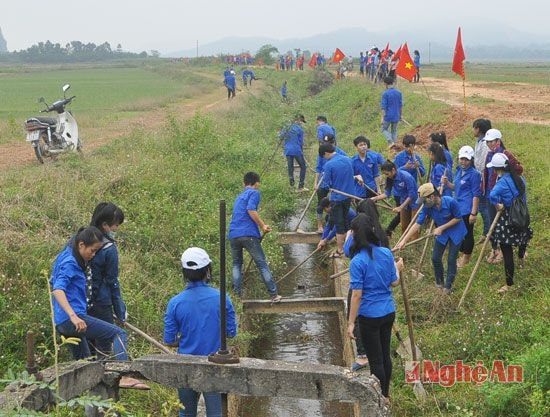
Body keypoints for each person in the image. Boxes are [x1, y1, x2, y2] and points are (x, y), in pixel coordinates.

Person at [50, 227, 145, 388]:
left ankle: (96, 405)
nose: (93, 255)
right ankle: (125, 375)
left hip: (61, 322)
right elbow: (57, 289)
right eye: (92, 251)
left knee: (88, 367)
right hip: (73, 319)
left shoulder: (65, 255)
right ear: (81, 245)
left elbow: (53, 280)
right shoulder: (70, 263)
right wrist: (73, 316)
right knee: (118, 333)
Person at [164, 247, 237, 417]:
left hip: (186, 366)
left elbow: (169, 339)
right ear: (208, 272)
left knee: (186, 413)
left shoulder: (175, 303)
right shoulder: (222, 298)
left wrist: (186, 339)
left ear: (184, 274)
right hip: (215, 365)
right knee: (215, 413)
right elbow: (231, 333)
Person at [347, 213, 403, 400]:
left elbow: (356, 295)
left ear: (354, 235)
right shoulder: (386, 253)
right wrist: (398, 268)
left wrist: (350, 323)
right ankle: (386, 393)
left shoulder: (357, 261)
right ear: (372, 231)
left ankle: (380, 397)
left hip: (369, 316)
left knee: (375, 360)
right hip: (388, 311)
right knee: (385, 355)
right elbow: (394, 283)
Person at [395, 183, 467, 293]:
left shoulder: (450, 202)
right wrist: (404, 240)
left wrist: (441, 227)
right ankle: (439, 283)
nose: (423, 203)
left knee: (451, 259)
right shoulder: (427, 207)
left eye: (424, 200)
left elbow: (458, 218)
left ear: (432, 197)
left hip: (456, 231)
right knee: (435, 258)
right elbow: (417, 224)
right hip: (442, 233)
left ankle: (448, 286)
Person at [228, 172, 281, 302]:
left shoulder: (239, 196)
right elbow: (251, 209)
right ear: (256, 183)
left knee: (236, 264)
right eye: (259, 183)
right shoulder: (254, 193)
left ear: (244, 183)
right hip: (248, 234)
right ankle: (274, 294)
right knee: (262, 264)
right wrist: (263, 225)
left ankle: (237, 296)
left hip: (233, 234)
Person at [487, 154, 532, 293]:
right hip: (522, 213)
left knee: (507, 251)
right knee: (523, 236)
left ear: (497, 169)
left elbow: (492, 196)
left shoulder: (501, 183)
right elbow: (523, 196)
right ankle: (521, 255)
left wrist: (499, 205)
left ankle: (509, 284)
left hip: (509, 217)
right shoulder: (519, 178)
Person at [87, 202, 127, 359]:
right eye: (115, 225)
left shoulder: (82, 240)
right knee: (105, 342)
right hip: (101, 303)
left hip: (82, 300)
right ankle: (111, 373)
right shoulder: (108, 249)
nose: (116, 229)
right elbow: (112, 282)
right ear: (105, 225)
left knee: (87, 343)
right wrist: (120, 311)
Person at [483, 128, 523, 264]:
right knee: (491, 223)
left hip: (502, 197)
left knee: (503, 224)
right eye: (487, 142)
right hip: (490, 194)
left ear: (498, 141)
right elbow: (486, 174)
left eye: (491, 142)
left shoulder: (506, 155)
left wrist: (507, 174)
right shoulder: (489, 155)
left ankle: (505, 249)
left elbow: (519, 169)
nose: (489, 145)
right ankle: (495, 249)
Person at [442, 146, 481, 267]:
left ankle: (466, 257)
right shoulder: (458, 170)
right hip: (457, 206)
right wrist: (447, 183)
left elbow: (476, 194)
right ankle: (462, 252)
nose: (463, 162)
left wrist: (473, 213)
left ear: (471, 160)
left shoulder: (474, 174)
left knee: (468, 233)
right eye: (461, 159)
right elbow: (456, 187)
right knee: (460, 232)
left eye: (466, 159)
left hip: (467, 208)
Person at [319, 142, 355, 257]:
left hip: (337, 198)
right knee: (344, 221)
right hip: (348, 196)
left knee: (340, 225)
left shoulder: (329, 165)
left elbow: (325, 184)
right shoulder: (348, 159)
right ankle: (345, 246)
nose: (324, 159)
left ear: (325, 153)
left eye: (323, 156)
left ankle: (340, 250)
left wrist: (322, 186)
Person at [371, 161, 420, 240]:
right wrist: (374, 198)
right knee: (404, 225)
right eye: (384, 174)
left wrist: (400, 207)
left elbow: (411, 195)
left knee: (413, 225)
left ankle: (414, 244)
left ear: (393, 170)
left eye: (387, 174)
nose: (386, 176)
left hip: (414, 202)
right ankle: (404, 242)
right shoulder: (390, 179)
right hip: (403, 200)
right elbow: (387, 194)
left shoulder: (406, 177)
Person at [314, 134, 348, 232]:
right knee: (321, 204)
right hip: (323, 182)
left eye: (330, 143)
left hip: (336, 184)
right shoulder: (322, 153)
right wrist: (315, 183)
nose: (328, 145)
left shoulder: (341, 153)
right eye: (326, 143)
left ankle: (332, 224)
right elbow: (318, 168)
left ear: (334, 142)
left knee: (334, 203)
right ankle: (319, 226)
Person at [472, 118, 492, 241]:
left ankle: (487, 232)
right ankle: (486, 232)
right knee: (482, 206)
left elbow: (482, 163)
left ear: (478, 129)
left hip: (483, 178)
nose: (472, 130)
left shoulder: (484, 144)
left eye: (473, 128)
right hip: (480, 177)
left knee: (483, 206)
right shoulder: (479, 142)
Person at [280, 114, 308, 191]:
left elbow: (281, 137)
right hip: (296, 150)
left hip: (288, 150)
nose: (301, 123)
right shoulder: (300, 129)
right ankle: (301, 186)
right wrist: (301, 150)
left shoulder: (286, 127)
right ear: (299, 120)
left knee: (290, 167)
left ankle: (291, 186)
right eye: (302, 121)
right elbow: (301, 142)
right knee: (303, 167)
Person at [380, 76, 402, 149]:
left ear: (386, 84)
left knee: (383, 129)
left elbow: (383, 107)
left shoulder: (385, 93)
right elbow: (400, 106)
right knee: (394, 130)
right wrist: (400, 116)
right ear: (392, 83)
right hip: (396, 115)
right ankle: (394, 144)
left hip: (388, 115)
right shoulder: (398, 92)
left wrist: (382, 118)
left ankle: (391, 142)